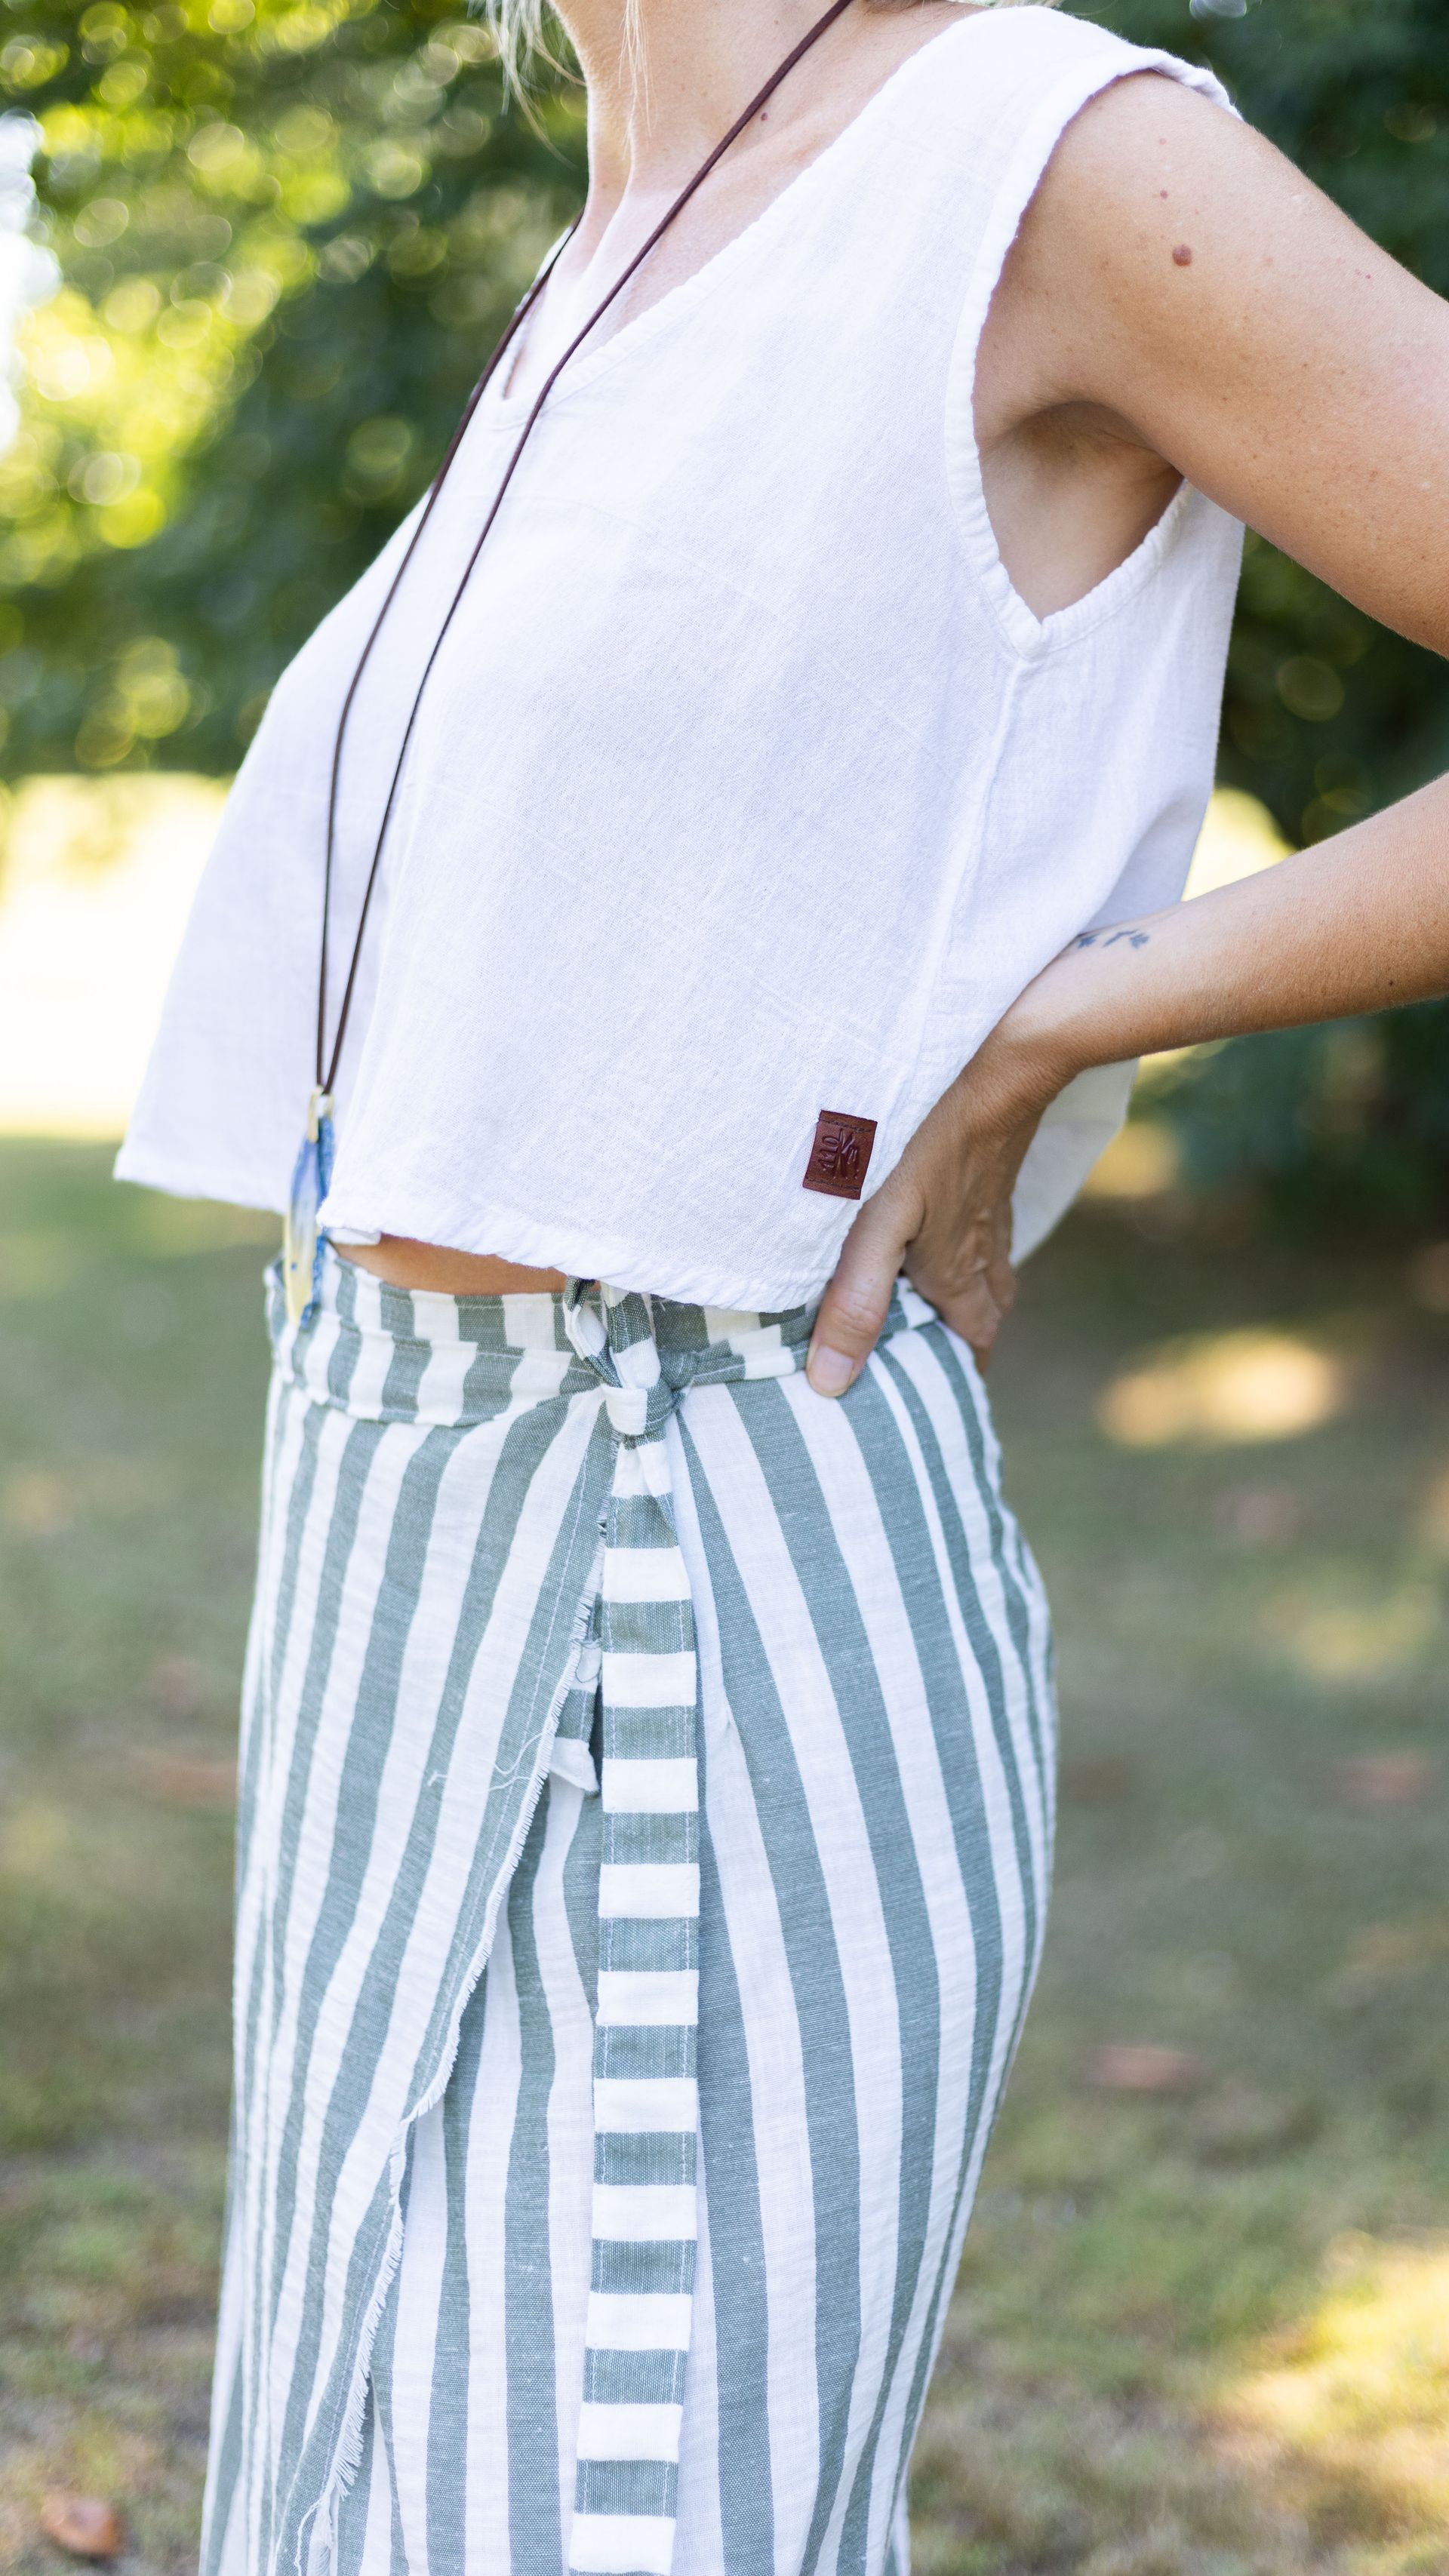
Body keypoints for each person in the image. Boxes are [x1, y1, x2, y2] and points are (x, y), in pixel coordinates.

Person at [116, 0, 1449, 2567]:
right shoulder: (631, 213)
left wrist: (1083, 1004)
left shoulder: (1046, 154)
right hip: (402, 1536)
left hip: (696, 1559)